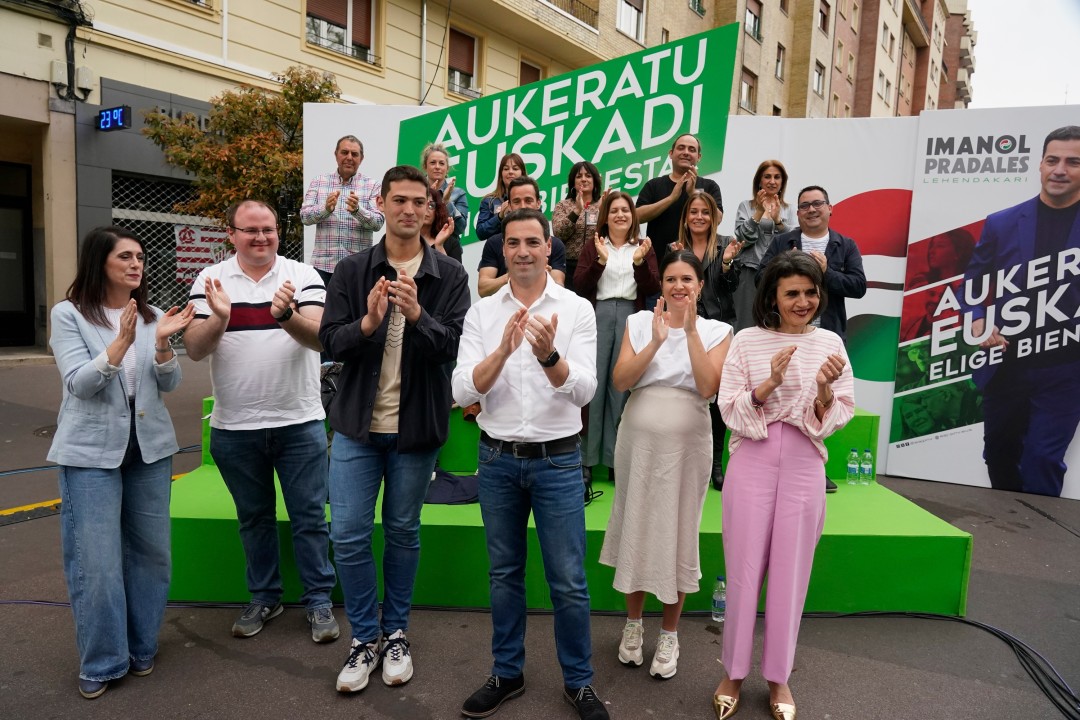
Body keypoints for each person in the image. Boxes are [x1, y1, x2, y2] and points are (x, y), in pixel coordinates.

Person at [452, 208, 609, 720]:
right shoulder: (482, 313)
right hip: (496, 460)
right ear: (503, 251)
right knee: (504, 574)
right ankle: (507, 672)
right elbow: (462, 390)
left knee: (568, 580)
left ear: (548, 248)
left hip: (558, 461)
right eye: (513, 243)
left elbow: (584, 390)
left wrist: (548, 357)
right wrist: (502, 351)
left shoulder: (576, 309)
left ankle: (579, 682)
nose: (522, 251)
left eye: (532, 242)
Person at [319, 165, 471, 693]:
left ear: (430, 209)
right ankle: (364, 637)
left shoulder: (450, 275)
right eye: (399, 200)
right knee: (348, 534)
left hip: (415, 429)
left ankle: (396, 632)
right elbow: (329, 341)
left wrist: (419, 316)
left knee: (403, 531)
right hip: (356, 428)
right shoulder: (352, 270)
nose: (409, 209)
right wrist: (366, 324)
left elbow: (454, 347)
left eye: (418, 201)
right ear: (381, 204)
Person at [48, 227, 195, 699]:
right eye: (125, 257)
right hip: (91, 451)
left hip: (149, 447)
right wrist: (120, 343)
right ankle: (103, 660)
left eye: (140, 257)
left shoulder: (152, 316)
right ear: (100, 262)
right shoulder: (69, 314)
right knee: (97, 561)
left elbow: (169, 384)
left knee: (152, 553)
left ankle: (141, 644)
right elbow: (79, 384)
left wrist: (162, 345)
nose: (136, 265)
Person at [185, 200, 339, 644]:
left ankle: (318, 599)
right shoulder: (210, 279)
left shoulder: (302, 276)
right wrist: (220, 317)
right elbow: (194, 348)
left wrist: (285, 315)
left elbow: (319, 338)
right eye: (250, 230)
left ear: (278, 231)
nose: (261, 237)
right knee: (254, 519)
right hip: (235, 427)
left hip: (299, 422)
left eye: (268, 229)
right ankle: (265, 596)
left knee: (310, 518)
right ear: (231, 234)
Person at [712, 250, 854, 720]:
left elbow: (841, 411)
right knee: (743, 570)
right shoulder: (746, 340)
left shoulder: (831, 342)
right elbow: (728, 407)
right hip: (752, 457)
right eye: (792, 292)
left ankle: (779, 677)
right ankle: (733, 672)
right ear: (772, 295)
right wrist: (769, 384)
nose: (803, 301)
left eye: (810, 292)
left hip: (804, 462)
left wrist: (824, 393)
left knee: (792, 575)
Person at [601, 250, 731, 680]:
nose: (679, 286)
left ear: (700, 286)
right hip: (637, 441)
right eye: (671, 278)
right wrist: (656, 341)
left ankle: (670, 634)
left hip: (688, 444)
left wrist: (689, 331)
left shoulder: (717, 331)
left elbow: (708, 386)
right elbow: (621, 380)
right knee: (636, 524)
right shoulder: (640, 323)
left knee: (678, 531)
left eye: (687, 279)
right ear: (661, 285)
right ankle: (633, 625)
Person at [959, 126, 1080, 497]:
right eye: (1052, 160)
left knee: (1043, 459)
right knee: (998, 453)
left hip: (1066, 369)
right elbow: (974, 281)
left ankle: (1036, 530)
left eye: (1073, 162)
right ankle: (1009, 524)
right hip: (1007, 362)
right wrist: (978, 321)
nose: (1060, 170)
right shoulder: (1002, 222)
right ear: (1040, 165)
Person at [574, 191, 659, 483]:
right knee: (594, 385)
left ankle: (615, 459)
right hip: (598, 314)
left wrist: (639, 262)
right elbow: (580, 285)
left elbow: (652, 286)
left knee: (620, 388)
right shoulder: (594, 245)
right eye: (614, 211)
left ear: (632, 216)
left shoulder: (644, 246)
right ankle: (586, 461)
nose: (620, 215)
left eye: (625, 210)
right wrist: (599, 261)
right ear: (606, 216)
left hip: (630, 316)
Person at [672, 190, 741, 489]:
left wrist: (726, 264)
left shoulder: (726, 244)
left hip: (718, 326)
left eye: (705, 212)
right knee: (684, 392)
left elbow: (733, 286)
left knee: (717, 398)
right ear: (686, 217)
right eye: (694, 212)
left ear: (713, 217)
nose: (699, 217)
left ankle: (715, 463)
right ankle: (683, 459)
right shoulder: (675, 247)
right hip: (684, 326)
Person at [756, 185, 866, 342]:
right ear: (798, 213)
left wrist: (826, 272)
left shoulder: (846, 245)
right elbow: (759, 280)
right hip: (784, 332)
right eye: (804, 206)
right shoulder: (781, 242)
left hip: (827, 335)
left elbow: (858, 287)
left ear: (830, 208)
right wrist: (783, 267)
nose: (811, 209)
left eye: (817, 203)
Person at [300, 135, 385, 284]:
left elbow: (378, 223)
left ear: (361, 158)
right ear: (336, 154)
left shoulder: (373, 185)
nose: (349, 157)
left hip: (358, 268)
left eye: (354, 154)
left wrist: (357, 211)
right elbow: (304, 217)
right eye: (344, 152)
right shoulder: (319, 182)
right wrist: (325, 209)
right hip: (323, 268)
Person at [733, 160, 798, 331]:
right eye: (767, 176)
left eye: (777, 177)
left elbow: (793, 242)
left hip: (779, 274)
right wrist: (758, 213)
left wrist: (778, 221)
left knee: (777, 322)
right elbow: (743, 238)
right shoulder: (746, 206)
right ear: (759, 181)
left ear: (782, 182)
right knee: (744, 322)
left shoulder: (790, 209)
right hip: (748, 271)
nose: (772, 181)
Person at [477, 176, 567, 297]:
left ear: (538, 203)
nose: (523, 206)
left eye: (528, 200)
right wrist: (513, 274)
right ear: (509, 205)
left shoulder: (556, 245)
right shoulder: (493, 243)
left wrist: (542, 275)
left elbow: (559, 289)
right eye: (517, 201)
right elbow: (483, 289)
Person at [635, 133, 723, 249]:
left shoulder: (710, 186)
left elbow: (718, 219)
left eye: (692, 150)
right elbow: (636, 217)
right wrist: (671, 198)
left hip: (698, 258)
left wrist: (693, 193)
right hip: (658, 257)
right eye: (681, 148)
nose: (686, 152)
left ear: (699, 157)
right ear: (671, 153)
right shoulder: (653, 185)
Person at [552, 161, 604, 290]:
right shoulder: (563, 205)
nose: (584, 179)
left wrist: (602, 213)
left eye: (588, 176)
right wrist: (576, 211)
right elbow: (559, 233)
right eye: (579, 176)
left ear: (595, 180)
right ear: (573, 182)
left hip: (596, 265)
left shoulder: (603, 205)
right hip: (568, 266)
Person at [422, 142, 469, 263]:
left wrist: (446, 202)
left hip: (449, 249)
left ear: (447, 168)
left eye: (442, 163)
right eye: (433, 163)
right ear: (425, 166)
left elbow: (460, 228)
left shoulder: (458, 193)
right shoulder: (416, 191)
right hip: (418, 246)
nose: (437, 167)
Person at [476, 152, 525, 241]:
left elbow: (540, 227)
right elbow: (480, 233)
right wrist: (499, 216)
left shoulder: (530, 199)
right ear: (501, 175)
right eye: (506, 169)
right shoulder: (489, 201)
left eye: (515, 168)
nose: (510, 172)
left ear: (522, 173)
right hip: (498, 248)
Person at [909, 229, 975, 288]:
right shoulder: (921, 281)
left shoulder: (973, 281)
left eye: (940, 246)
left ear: (958, 252)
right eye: (932, 246)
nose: (931, 251)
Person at [422, 184, 455, 256]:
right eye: (421, 203)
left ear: (438, 211)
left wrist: (439, 246)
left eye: (431, 205)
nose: (426, 209)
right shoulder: (402, 238)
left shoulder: (450, 243)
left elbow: (452, 264)